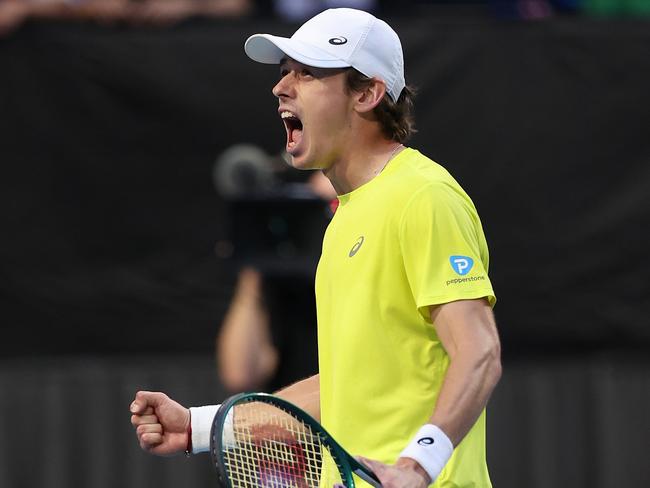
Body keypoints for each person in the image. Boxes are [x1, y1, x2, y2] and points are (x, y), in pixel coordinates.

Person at [130, 8, 502, 488]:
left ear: (367, 94)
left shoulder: (423, 196)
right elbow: (346, 387)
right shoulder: (344, 220)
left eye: (307, 73)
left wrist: (416, 465)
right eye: (285, 73)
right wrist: (200, 427)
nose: (281, 87)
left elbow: (479, 352)